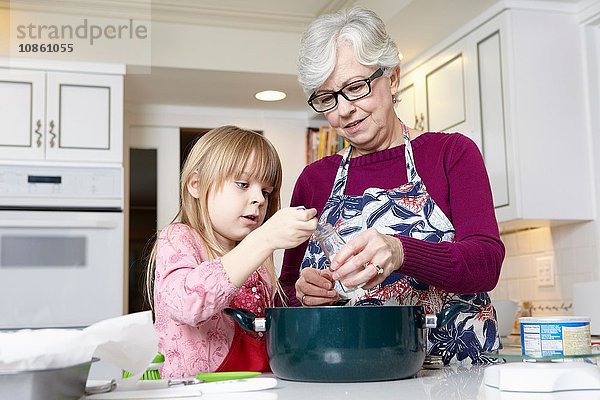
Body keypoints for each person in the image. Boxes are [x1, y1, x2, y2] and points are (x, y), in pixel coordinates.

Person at [279, 7, 505, 365]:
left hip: (459, 378)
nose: (344, 111)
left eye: (355, 87)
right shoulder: (313, 180)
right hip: (355, 376)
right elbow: (287, 291)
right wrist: (305, 294)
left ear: (393, 78)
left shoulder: (451, 154)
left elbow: (486, 263)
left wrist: (402, 252)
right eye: (327, 98)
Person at [146, 126, 317, 378]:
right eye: (243, 184)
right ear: (196, 184)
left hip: (258, 387)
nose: (259, 198)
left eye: (266, 192)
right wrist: (262, 239)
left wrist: (306, 295)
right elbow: (187, 304)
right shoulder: (180, 238)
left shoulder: (256, 257)